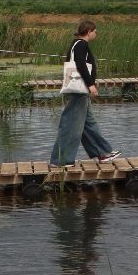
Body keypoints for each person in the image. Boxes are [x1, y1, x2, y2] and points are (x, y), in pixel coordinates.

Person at [49, 19, 121, 168]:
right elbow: (81, 65)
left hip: (81, 92)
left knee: (89, 125)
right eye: (95, 31)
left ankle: (103, 153)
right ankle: (61, 161)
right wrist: (91, 84)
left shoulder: (77, 44)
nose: (96, 33)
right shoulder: (81, 44)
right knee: (71, 125)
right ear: (89, 32)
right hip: (79, 90)